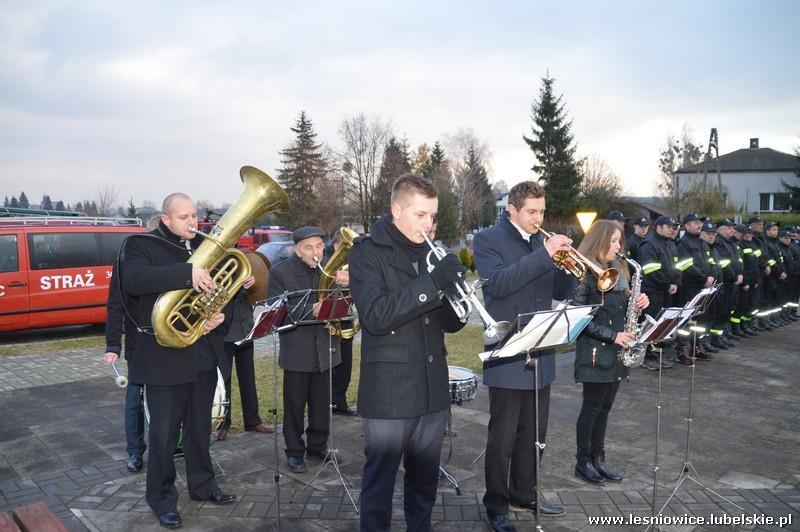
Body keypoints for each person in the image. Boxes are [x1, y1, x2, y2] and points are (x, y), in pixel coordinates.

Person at [349, 173, 467, 532]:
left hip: (431, 388)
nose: (429, 225)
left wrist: (455, 298)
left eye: (432, 216)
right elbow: (376, 317)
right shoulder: (367, 252)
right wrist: (433, 284)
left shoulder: (432, 252)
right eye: (421, 215)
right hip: (390, 390)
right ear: (396, 209)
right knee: (379, 485)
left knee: (424, 484)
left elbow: (447, 323)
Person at [120, 193, 236, 529]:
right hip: (162, 357)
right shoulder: (141, 246)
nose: (192, 222)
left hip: (200, 352)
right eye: (184, 217)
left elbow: (217, 296)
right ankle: (160, 497)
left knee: (201, 429)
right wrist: (188, 273)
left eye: (194, 216)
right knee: (164, 435)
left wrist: (217, 317)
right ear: (166, 219)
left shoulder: (203, 246)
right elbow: (136, 281)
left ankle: (203, 485)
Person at [473, 181, 572, 532]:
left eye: (542, 211)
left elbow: (558, 291)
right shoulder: (487, 240)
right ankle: (496, 505)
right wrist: (544, 255)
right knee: (502, 439)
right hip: (508, 354)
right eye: (532, 211)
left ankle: (524, 492)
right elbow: (498, 285)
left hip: (541, 353)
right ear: (512, 209)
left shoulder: (539, 243)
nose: (538, 217)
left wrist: (565, 266)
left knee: (535, 434)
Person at [570, 220, 648, 484]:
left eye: (619, 241)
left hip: (616, 352)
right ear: (599, 240)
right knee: (591, 408)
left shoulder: (621, 269)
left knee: (605, 409)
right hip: (595, 353)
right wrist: (613, 336)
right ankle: (583, 462)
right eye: (613, 241)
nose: (618, 246)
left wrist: (640, 303)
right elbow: (578, 319)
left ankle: (598, 459)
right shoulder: (583, 272)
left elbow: (624, 310)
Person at [267, 226, 346, 474]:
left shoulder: (331, 271)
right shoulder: (281, 272)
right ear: (298, 250)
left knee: (322, 403)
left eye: (320, 247)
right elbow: (274, 310)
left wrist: (345, 287)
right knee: (294, 404)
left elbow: (343, 305)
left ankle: (318, 446)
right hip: (297, 350)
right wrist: (308, 310)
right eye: (310, 247)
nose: (316, 252)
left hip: (325, 348)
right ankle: (294, 451)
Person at [217, 275, 273, 441]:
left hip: (245, 328)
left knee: (248, 377)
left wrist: (253, 284)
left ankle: (253, 420)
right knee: (224, 380)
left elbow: (257, 294)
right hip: (224, 332)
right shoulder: (217, 265)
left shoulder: (244, 262)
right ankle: (223, 424)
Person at [637, 215, 681, 371]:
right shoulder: (649, 244)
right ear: (659, 227)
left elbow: (677, 266)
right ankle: (647, 356)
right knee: (650, 323)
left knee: (662, 324)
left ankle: (658, 354)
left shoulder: (670, 244)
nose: (672, 230)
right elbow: (651, 270)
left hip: (667, 291)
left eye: (673, 227)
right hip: (653, 292)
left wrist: (676, 282)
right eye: (669, 227)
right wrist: (667, 284)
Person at [330, 230, 358, 417]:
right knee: (330, 366)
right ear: (336, 247)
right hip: (329, 323)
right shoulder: (326, 265)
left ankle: (340, 402)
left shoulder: (352, 266)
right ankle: (326, 404)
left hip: (346, 321)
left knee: (345, 366)